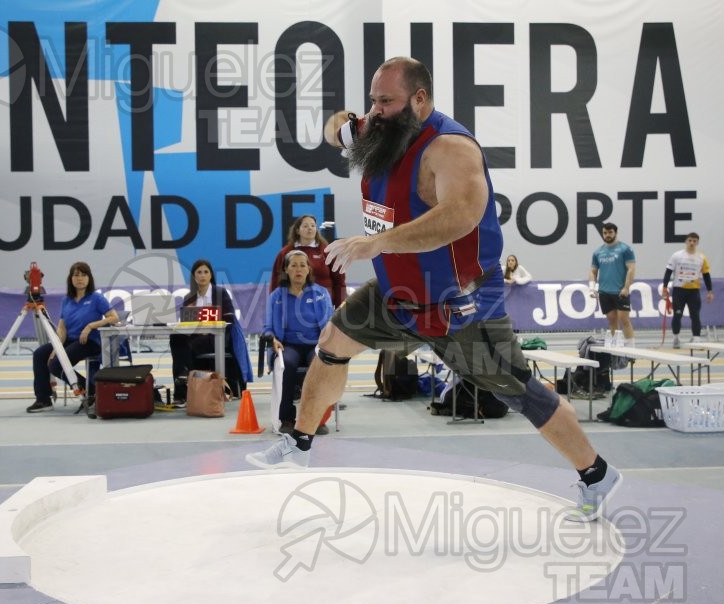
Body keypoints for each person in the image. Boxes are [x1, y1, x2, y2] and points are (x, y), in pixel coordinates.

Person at [246, 56, 622, 522]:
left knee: (522, 394)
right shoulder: (381, 128)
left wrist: (376, 243)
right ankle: (299, 443)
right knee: (332, 343)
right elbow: (334, 131)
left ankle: (597, 474)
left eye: (386, 100)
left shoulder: (451, 150)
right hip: (395, 294)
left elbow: (457, 218)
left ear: (419, 100)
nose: (375, 110)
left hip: (460, 308)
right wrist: (341, 122)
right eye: (372, 100)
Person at [28, 262, 119, 413]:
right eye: (76, 275)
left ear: (89, 278)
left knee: (55, 364)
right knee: (40, 354)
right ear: (71, 279)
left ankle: (91, 391)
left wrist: (91, 326)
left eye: (84, 275)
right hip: (70, 340)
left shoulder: (97, 298)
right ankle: (43, 400)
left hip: (90, 341)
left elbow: (114, 318)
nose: (80, 278)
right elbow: (62, 327)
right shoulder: (66, 300)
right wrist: (56, 346)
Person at [264, 250, 333, 435]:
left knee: (319, 366)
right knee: (287, 365)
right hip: (288, 345)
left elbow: (329, 325)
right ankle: (286, 418)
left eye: (303, 265)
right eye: (293, 265)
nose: (298, 269)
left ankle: (316, 419)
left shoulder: (321, 293)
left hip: (315, 344)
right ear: (286, 270)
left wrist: (327, 343)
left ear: (309, 269)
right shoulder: (276, 296)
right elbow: (268, 327)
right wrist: (273, 339)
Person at [170, 259, 251, 403]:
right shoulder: (189, 297)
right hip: (195, 336)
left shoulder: (220, 293)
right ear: (194, 277)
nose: (202, 275)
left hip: (217, 336)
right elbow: (185, 321)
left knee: (187, 347)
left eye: (206, 272)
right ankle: (182, 377)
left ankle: (182, 388)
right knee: (176, 337)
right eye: (199, 272)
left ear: (211, 275)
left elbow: (230, 318)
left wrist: (210, 326)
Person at [270, 214, 347, 307]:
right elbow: (276, 281)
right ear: (297, 230)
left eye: (313, 226)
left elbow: (340, 281)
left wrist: (340, 307)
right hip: (294, 306)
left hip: (323, 305)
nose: (309, 228)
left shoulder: (327, 251)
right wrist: (275, 306)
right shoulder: (286, 253)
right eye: (305, 226)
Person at [662, 232, 713, 348]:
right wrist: (665, 287)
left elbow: (706, 275)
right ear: (686, 242)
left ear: (697, 243)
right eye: (690, 240)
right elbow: (668, 272)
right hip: (679, 290)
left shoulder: (701, 258)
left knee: (695, 315)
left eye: (694, 241)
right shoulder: (677, 256)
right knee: (677, 315)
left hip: (694, 291)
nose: (692, 243)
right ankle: (676, 338)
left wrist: (710, 291)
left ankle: (696, 338)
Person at [589, 222, 636, 347]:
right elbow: (593, 271)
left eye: (610, 232)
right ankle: (614, 348)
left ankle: (631, 350)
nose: (607, 235)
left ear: (615, 233)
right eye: (605, 233)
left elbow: (631, 269)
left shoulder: (625, 249)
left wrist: (626, 287)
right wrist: (592, 288)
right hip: (604, 292)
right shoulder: (598, 252)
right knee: (611, 320)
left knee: (624, 320)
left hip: (620, 291)